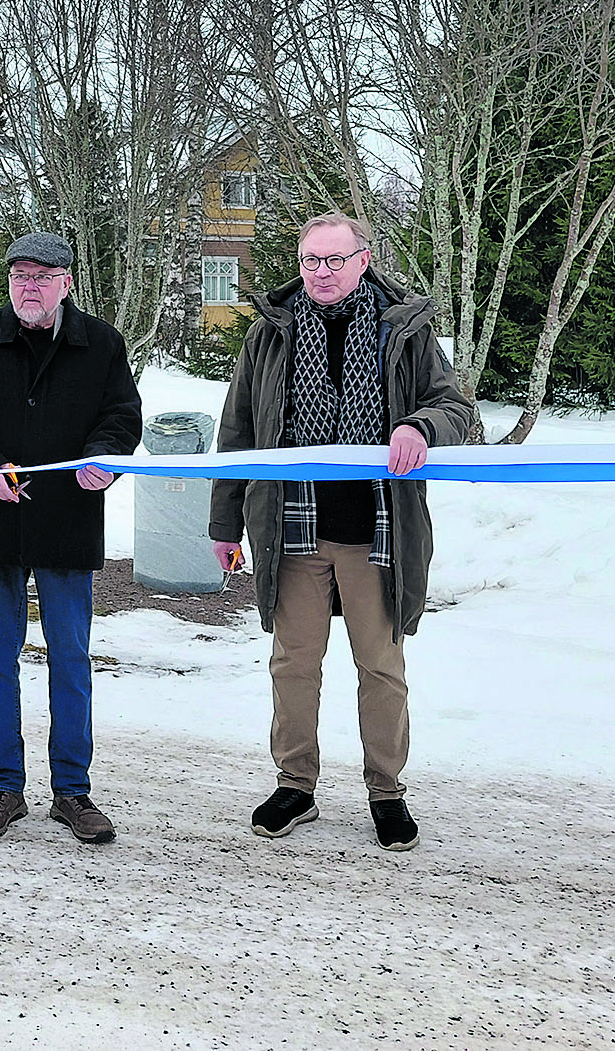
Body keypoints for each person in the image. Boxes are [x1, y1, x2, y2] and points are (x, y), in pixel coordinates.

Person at [209, 213, 472, 852]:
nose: (320, 273)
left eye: (332, 261)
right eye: (309, 261)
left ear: (363, 259)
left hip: (376, 530)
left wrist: (419, 427)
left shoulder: (403, 330)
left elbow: (457, 409)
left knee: (380, 665)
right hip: (292, 527)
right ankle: (295, 784)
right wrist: (224, 522)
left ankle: (386, 791)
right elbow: (237, 432)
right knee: (293, 664)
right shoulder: (270, 334)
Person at [0, 231, 142, 844]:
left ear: (66, 283)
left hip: (68, 522)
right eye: (21, 276)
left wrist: (106, 457)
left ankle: (73, 790)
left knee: (71, 659)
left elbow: (122, 415)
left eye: (43, 277)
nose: (30, 287)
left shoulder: (100, 343)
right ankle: (4, 787)